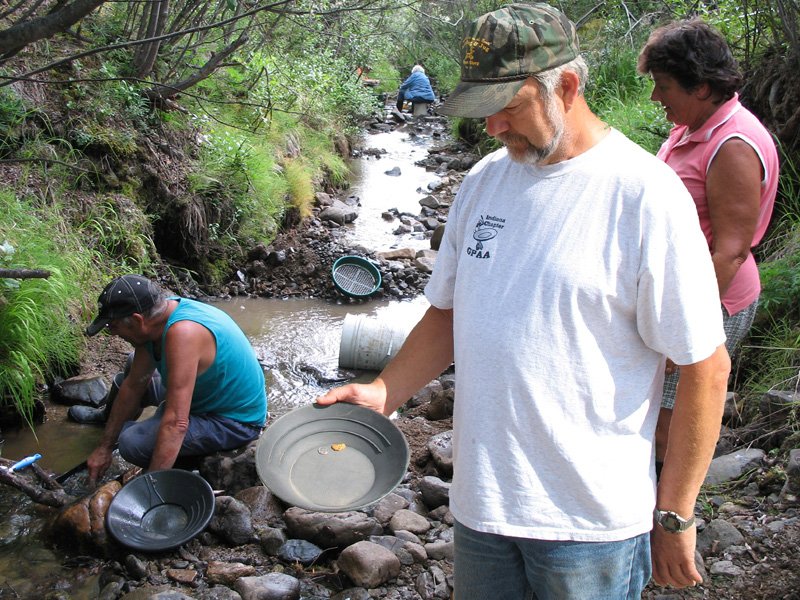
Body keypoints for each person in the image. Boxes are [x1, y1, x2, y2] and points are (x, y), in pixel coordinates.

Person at [317, 3, 730, 597]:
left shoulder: (645, 196)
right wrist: (386, 390)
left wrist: (675, 514)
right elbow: (451, 312)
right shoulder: (485, 181)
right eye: (483, 111)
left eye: (507, 108)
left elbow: (705, 367)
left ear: (566, 86)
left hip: (589, 524)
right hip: (483, 507)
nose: (492, 128)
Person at [637, 19, 779, 473]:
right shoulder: (693, 126)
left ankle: (664, 523)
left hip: (710, 303)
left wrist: (686, 331)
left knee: (669, 422)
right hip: (678, 297)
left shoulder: (733, 143)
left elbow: (732, 252)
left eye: (663, 86)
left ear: (700, 87)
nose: (656, 97)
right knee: (654, 409)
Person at [80, 274, 267, 484]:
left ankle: (186, 464)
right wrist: (104, 446)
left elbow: (176, 423)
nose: (112, 334)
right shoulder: (157, 319)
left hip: (234, 420)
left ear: (136, 320)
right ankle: (109, 420)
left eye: (112, 327)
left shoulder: (183, 334)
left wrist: (149, 487)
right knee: (133, 366)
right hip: (206, 390)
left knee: (131, 442)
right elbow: (133, 386)